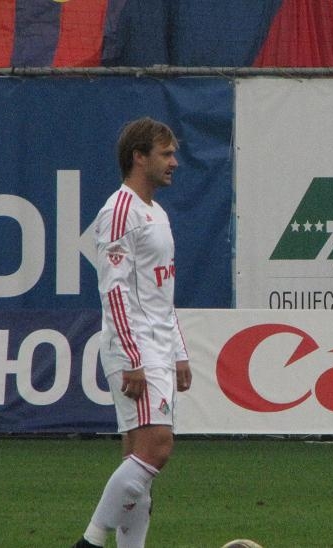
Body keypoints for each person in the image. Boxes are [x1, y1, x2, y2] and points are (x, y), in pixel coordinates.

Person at [73, 117, 192, 548]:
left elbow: (161, 291)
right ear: (139, 157)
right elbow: (114, 291)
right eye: (166, 154)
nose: (174, 162)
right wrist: (133, 358)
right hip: (136, 347)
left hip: (158, 345)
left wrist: (178, 350)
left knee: (138, 457)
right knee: (156, 447)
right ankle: (90, 541)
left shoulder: (156, 212)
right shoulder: (119, 210)